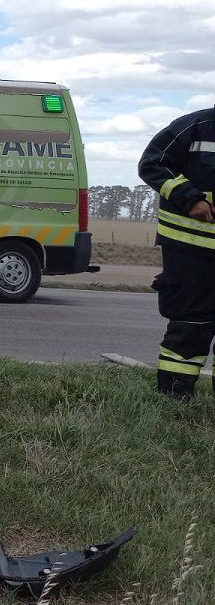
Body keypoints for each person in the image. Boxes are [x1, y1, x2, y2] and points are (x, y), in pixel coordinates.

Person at [137, 104, 215, 397]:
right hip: (191, 250)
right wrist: (188, 197)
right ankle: (173, 399)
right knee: (190, 326)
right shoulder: (193, 127)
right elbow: (153, 163)